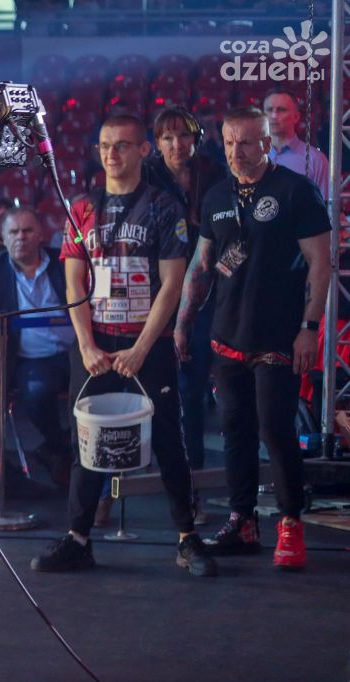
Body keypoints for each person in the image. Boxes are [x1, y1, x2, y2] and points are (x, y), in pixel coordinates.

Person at [29, 113, 215, 577]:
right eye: (105, 145)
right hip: (96, 345)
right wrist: (86, 345)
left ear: (143, 151)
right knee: (85, 441)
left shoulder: (164, 207)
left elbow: (173, 284)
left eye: (122, 145)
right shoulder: (82, 208)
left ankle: (187, 538)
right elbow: (73, 281)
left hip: (146, 343)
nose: (112, 154)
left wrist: (143, 347)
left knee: (169, 440)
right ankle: (78, 539)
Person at [178, 106, 331, 569]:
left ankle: (290, 522)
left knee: (275, 430)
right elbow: (203, 265)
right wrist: (183, 322)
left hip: (278, 337)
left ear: (266, 143)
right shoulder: (217, 195)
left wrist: (309, 329)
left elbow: (320, 264)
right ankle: (242, 521)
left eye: (245, 142)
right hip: (227, 336)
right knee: (235, 432)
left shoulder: (295, 191)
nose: (236, 151)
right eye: (228, 142)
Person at [142, 107, 228, 480]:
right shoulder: (147, 176)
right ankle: (151, 466)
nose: (177, 144)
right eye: (168, 137)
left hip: (204, 291)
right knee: (155, 383)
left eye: (184, 136)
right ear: (157, 143)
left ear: (196, 139)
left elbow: (232, 237)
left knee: (191, 385)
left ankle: (192, 470)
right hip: (156, 290)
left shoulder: (215, 174)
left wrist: (221, 274)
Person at [0, 206, 74, 484]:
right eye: (14, 232)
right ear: (3, 238)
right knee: (36, 391)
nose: (21, 237)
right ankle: (58, 447)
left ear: (41, 234)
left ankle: (65, 453)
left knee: (105, 387)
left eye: (28, 230)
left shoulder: (65, 263)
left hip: (78, 351)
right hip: (31, 360)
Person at [264, 89, 330, 199]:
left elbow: (325, 205)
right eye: (269, 110)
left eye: (281, 110)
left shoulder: (316, 160)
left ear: (296, 117)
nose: (274, 115)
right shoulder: (252, 156)